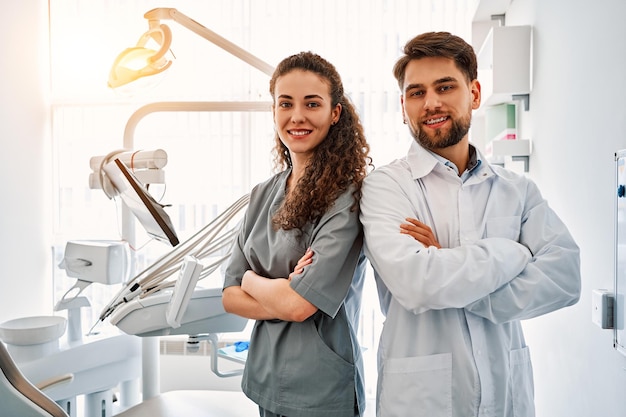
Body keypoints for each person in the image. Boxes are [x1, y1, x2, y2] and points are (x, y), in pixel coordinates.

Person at [359, 32, 581, 417]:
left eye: (445, 87)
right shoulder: (386, 186)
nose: (431, 103)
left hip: (507, 396)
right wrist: (514, 253)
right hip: (420, 401)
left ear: (474, 94)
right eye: (416, 93)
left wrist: (447, 261)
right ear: (403, 106)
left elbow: (564, 278)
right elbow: (417, 283)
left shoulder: (517, 190)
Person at [222, 51, 372, 417]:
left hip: (321, 389)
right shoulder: (262, 194)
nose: (297, 116)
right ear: (273, 111)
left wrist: (252, 280)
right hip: (265, 380)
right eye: (285, 103)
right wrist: (279, 288)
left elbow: (299, 305)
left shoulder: (347, 199)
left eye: (312, 103)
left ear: (334, 113)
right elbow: (229, 297)